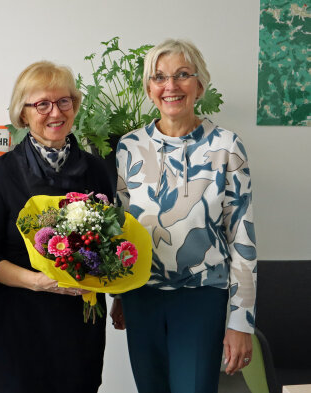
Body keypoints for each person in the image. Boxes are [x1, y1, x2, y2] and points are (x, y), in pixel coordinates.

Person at [111, 39, 257, 393]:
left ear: (199, 85)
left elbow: (242, 238)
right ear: (149, 89)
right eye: (159, 77)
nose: (170, 86)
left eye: (182, 75)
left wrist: (242, 321)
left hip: (201, 297)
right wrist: (118, 292)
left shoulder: (226, 147)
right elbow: (122, 228)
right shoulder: (129, 147)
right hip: (141, 297)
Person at [0, 61, 113, 393]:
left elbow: (110, 243)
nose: (56, 112)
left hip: (78, 325)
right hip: (16, 323)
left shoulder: (97, 170)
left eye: (64, 101)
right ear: (24, 114)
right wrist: (39, 282)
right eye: (42, 104)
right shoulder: (3, 172)